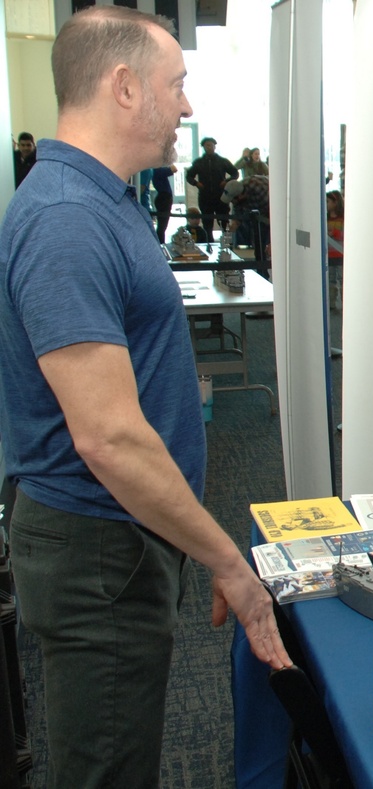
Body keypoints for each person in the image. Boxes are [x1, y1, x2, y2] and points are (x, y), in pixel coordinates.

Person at [0, 8, 291, 787]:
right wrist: (229, 563)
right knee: (107, 772)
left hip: (118, 539)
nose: (187, 108)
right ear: (124, 88)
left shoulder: (102, 200)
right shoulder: (67, 218)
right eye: (178, 85)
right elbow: (110, 438)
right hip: (99, 546)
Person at [186, 135, 238, 240]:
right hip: (205, 196)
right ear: (203, 147)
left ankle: (227, 244)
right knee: (207, 222)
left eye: (211, 145)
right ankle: (209, 243)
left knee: (224, 221)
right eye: (206, 145)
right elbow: (189, 176)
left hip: (221, 196)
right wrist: (196, 183)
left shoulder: (222, 161)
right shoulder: (199, 162)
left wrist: (226, 182)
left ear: (214, 146)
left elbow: (235, 173)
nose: (209, 147)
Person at [151, 163, 176, 244]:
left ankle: (160, 243)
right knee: (162, 227)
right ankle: (161, 244)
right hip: (164, 199)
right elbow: (174, 169)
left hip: (162, 197)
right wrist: (168, 161)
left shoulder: (156, 171)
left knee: (161, 227)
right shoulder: (159, 170)